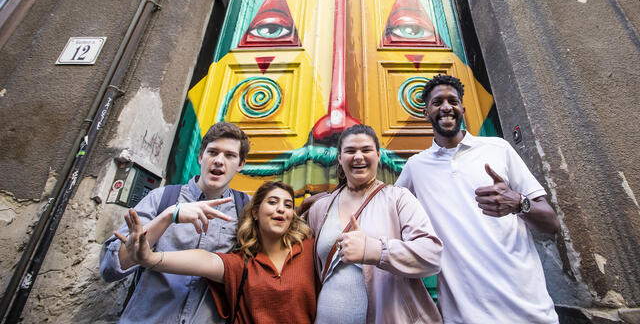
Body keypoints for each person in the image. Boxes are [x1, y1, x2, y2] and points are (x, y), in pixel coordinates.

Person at [395, 74, 561, 324]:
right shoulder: (415, 167)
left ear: (462, 108)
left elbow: (551, 224)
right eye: (437, 102)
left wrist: (518, 202)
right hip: (464, 315)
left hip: (530, 310)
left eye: (452, 100)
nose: (446, 107)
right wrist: (328, 200)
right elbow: (385, 210)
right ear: (426, 112)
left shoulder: (498, 148)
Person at [100, 122, 251, 323]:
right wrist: (169, 216)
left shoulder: (247, 209)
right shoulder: (162, 198)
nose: (219, 161)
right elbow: (110, 269)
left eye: (230, 155)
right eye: (212, 152)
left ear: (241, 164)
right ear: (200, 157)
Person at [118, 180, 316, 324]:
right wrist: (150, 258)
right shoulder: (242, 264)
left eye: (288, 205)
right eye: (272, 202)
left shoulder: (308, 249)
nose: (281, 209)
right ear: (255, 212)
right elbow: (204, 260)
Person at [307, 124, 443, 324]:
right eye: (350, 151)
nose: (358, 156)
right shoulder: (321, 208)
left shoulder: (398, 198)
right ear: (339, 158)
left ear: (378, 155)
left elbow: (431, 254)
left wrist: (375, 251)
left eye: (366, 150)